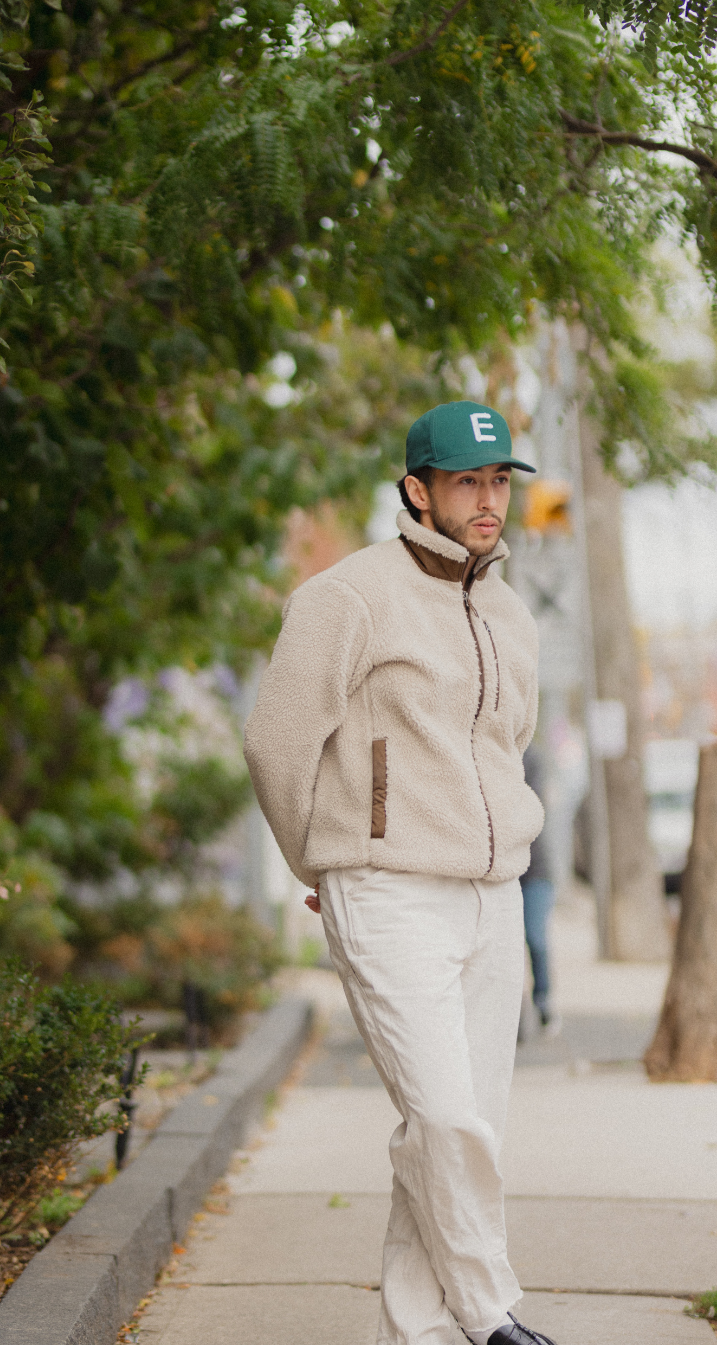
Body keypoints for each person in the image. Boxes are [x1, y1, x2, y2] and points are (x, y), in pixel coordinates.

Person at [245, 401, 553, 1345]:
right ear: (417, 489)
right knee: (446, 1119)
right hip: (387, 892)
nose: (488, 499)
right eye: (467, 480)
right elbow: (277, 742)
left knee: (459, 1136)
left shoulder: (508, 612)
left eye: (499, 480)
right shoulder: (346, 598)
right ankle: (493, 1312)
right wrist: (323, 861)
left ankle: (419, 1334)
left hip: (492, 899)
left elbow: (512, 746)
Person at [521, 747, 559, 1034]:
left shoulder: (530, 757)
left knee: (535, 937)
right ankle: (514, 1017)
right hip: (499, 874)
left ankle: (543, 1000)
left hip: (535, 872)